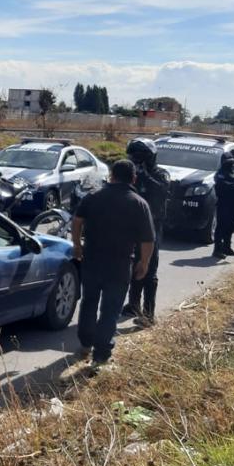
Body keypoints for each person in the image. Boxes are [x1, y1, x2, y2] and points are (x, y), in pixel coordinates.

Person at [71, 159, 155, 368]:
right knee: (110, 310)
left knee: (89, 303)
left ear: (111, 176)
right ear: (134, 178)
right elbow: (148, 239)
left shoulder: (93, 197)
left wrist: (77, 245)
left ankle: (85, 345)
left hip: (92, 260)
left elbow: (77, 220)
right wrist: (144, 263)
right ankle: (100, 356)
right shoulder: (138, 203)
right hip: (119, 265)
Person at [123, 138, 170, 328]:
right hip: (132, 226)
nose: (137, 160)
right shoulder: (132, 174)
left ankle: (149, 314)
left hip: (152, 227)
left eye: (141, 157)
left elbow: (163, 191)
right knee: (134, 265)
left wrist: (146, 176)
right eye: (134, 157)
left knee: (149, 269)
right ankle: (133, 304)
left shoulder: (161, 174)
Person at [213, 151, 234, 259]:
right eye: (228, 162)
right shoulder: (220, 173)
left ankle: (227, 247)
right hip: (224, 203)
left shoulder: (233, 172)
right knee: (221, 226)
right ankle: (217, 250)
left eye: (231, 162)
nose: (230, 164)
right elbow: (222, 185)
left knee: (231, 226)